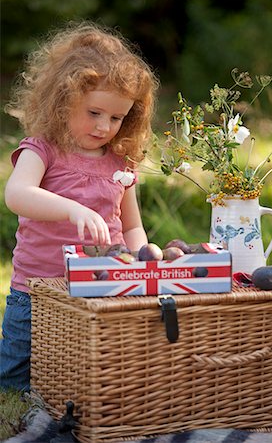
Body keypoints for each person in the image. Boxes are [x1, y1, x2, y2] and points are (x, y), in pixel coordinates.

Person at [0, 22, 159, 392]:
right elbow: (17, 194)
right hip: (38, 290)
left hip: (104, 288)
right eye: (94, 113)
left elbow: (132, 225)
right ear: (63, 100)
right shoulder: (43, 149)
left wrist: (143, 262)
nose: (105, 126)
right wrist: (73, 209)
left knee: (95, 372)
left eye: (117, 118)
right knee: (15, 381)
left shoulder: (121, 163)